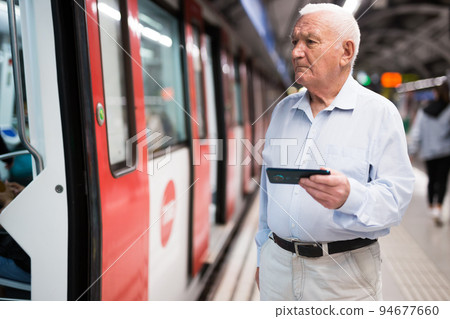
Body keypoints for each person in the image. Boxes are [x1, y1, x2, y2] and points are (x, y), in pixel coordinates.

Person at [254, 3, 415, 301]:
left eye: (310, 42)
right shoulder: (283, 111)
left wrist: (350, 197)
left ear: (346, 52)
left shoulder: (380, 113)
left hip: (343, 277)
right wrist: (263, 252)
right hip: (278, 267)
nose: (296, 52)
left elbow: (395, 201)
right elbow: (268, 189)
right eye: (294, 42)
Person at [408, 82, 450, 226]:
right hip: (445, 152)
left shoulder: (424, 112)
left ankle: (431, 207)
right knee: (443, 180)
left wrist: (412, 151)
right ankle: (439, 207)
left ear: (436, 94)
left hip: (428, 153)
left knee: (432, 180)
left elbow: (416, 133)